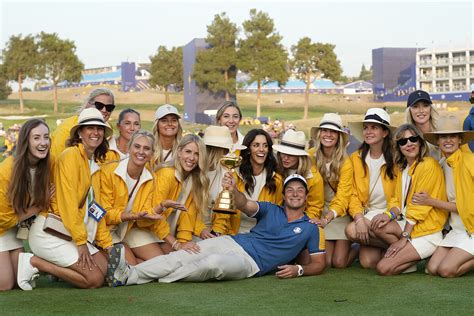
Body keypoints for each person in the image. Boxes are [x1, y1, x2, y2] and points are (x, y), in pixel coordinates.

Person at [106, 174, 326, 286]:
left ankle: (149, 276)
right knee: (184, 254)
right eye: (290, 190)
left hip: (251, 264)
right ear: (284, 194)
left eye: (300, 191)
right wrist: (233, 190)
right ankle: (130, 275)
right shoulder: (271, 209)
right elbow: (243, 204)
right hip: (232, 242)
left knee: (211, 265)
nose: (295, 194)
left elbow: (319, 263)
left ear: (306, 196)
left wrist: (299, 270)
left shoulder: (311, 227)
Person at [17, 108, 114, 290]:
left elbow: (96, 208)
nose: (96, 132)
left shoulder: (93, 162)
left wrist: (107, 245)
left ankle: (57, 267)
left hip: (68, 229)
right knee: (94, 279)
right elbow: (68, 203)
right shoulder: (70, 156)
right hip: (50, 230)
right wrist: (80, 242)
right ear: (79, 132)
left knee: (106, 269)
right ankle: (35, 262)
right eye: (90, 128)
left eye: (99, 128)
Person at [371, 124, 448, 275]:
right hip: (409, 225)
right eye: (403, 141)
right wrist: (388, 215)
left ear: (420, 141)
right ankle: (408, 259)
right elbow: (396, 199)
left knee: (383, 268)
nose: (409, 144)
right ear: (398, 147)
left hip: (427, 231)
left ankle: (415, 253)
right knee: (377, 225)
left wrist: (403, 239)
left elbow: (418, 207)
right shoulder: (404, 167)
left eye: (413, 139)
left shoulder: (428, 165)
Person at [100, 130, 183, 265]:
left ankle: (129, 262)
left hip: (127, 230)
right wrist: (132, 216)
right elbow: (104, 213)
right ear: (129, 148)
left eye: (146, 149)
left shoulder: (151, 178)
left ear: (152, 154)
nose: (141, 152)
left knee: (162, 262)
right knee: (130, 265)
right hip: (104, 230)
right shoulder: (108, 172)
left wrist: (161, 206)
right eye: (137, 146)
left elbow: (145, 215)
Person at [0, 119, 52, 290]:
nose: (43, 143)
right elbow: (3, 218)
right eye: (36, 138)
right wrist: (38, 206)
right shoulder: (9, 168)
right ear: (25, 141)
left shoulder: (45, 169)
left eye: (46, 137)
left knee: (19, 281)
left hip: (13, 230)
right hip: (2, 224)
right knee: (5, 284)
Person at [421, 116, 474, 277]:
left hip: (471, 228)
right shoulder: (442, 165)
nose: (448, 140)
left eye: (453, 136)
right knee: (431, 268)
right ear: (437, 141)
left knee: (446, 270)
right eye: (444, 136)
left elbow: (467, 206)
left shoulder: (470, 161)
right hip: (457, 229)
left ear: (460, 140)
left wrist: (431, 201)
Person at [345, 108, 398, 269]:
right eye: (366, 127)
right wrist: (359, 218)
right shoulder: (356, 158)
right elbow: (352, 194)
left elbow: (399, 194)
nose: (368, 131)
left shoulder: (396, 158)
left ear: (385, 133)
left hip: (391, 213)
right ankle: (391, 248)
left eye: (374, 127)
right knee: (369, 262)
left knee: (351, 231)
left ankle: (400, 245)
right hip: (367, 213)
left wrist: (388, 214)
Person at [309, 113, 356, 268]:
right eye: (325, 130)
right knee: (327, 262)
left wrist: (327, 218)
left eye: (333, 131)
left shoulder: (345, 162)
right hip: (319, 211)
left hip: (339, 213)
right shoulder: (310, 156)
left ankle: (358, 247)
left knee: (339, 263)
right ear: (319, 134)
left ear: (339, 136)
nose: (328, 135)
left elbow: (343, 197)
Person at [152, 134, 211, 253]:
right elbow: (154, 216)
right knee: (163, 263)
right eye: (188, 152)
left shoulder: (193, 180)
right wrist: (176, 244)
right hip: (150, 230)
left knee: (189, 254)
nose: (192, 158)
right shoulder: (166, 174)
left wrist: (185, 241)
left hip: (166, 235)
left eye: (197, 154)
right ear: (179, 152)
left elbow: (187, 215)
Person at [228, 129, 283, 234]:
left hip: (262, 237)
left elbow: (277, 214)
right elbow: (224, 212)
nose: (261, 149)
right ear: (248, 149)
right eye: (256, 145)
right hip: (234, 234)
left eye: (265, 145)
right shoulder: (235, 175)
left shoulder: (277, 180)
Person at [202, 125, 246, 236]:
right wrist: (200, 230)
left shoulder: (229, 174)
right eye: (226, 150)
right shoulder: (196, 171)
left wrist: (216, 231)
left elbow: (224, 213)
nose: (228, 154)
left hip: (218, 231)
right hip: (194, 229)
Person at [50, 87, 116, 160]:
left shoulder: (109, 128)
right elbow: (56, 160)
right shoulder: (66, 128)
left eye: (109, 107)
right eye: (99, 105)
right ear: (88, 105)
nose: (104, 110)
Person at [273, 129, 324, 223]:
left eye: (291, 154)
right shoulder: (275, 171)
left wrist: (299, 222)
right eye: (283, 153)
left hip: (302, 221)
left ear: (300, 156)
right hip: (275, 218)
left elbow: (315, 207)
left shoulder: (314, 177)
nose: (285, 158)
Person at [405, 89, 440, 159]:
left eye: (425, 105)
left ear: (431, 108)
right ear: (409, 111)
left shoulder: (441, 131)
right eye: (415, 106)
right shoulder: (405, 138)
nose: (421, 111)